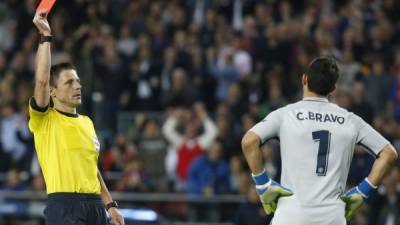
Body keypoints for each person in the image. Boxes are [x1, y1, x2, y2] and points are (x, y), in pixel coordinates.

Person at [241, 56, 398, 225]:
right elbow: (388, 153)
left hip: (291, 215)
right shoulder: (351, 120)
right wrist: (362, 191)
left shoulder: (286, 114)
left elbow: (249, 142)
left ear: (304, 79)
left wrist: (263, 184)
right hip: (332, 217)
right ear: (333, 88)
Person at [29, 11, 125, 225]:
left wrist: (110, 205)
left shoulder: (87, 122)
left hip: (95, 207)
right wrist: (45, 37)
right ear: (53, 91)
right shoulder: (44, 120)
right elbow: (42, 81)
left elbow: (92, 169)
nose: (78, 86)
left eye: (78, 81)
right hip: (64, 206)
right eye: (69, 83)